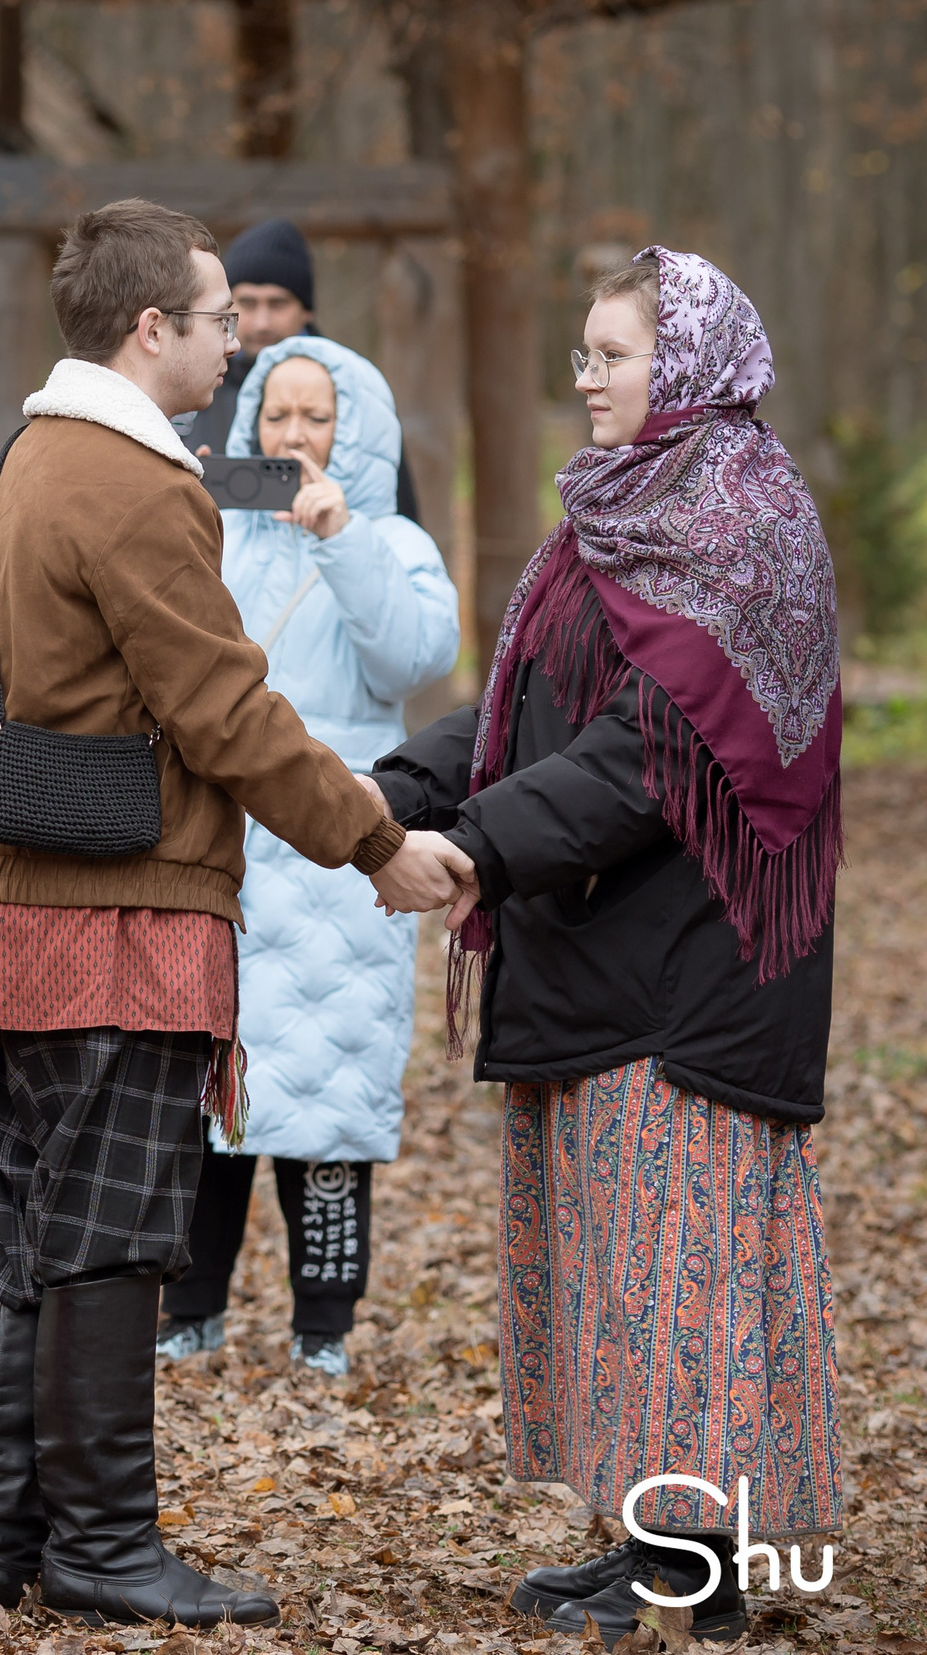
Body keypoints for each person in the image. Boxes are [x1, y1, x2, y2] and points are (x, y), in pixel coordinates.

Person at [0, 198, 473, 1629]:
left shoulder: (16, 467)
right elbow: (223, 708)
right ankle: (99, 1544)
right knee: (105, 1232)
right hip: (111, 911)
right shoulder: (131, 482)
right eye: (222, 319)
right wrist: (375, 840)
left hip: (10, 900)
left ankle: (12, 1533)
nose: (240, 344)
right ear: (151, 327)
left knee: (32, 1223)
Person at [370, 249, 841, 1646]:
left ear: (686, 365)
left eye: (610, 354)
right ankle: (649, 1536)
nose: (584, 377)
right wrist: (397, 789)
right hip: (597, 956)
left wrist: (476, 847)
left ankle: (704, 1560)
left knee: (680, 1266)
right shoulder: (612, 517)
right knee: (615, 1269)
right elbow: (536, 709)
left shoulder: (748, 527)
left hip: (697, 973)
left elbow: (655, 752)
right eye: (579, 353)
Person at [157, 337, 459, 1378]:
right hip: (228, 844)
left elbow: (417, 655)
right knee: (211, 1099)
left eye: (314, 417)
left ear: (355, 432)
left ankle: (321, 1326)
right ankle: (188, 1308)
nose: (292, 435)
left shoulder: (395, 541)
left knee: (330, 1108)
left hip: (342, 846)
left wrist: (342, 540)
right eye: (275, 416)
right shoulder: (217, 538)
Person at [176, 218, 419, 522]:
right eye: (248, 304)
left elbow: (393, 510)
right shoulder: (196, 383)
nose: (262, 321)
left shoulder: (350, 385)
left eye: (277, 304)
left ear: (306, 309)